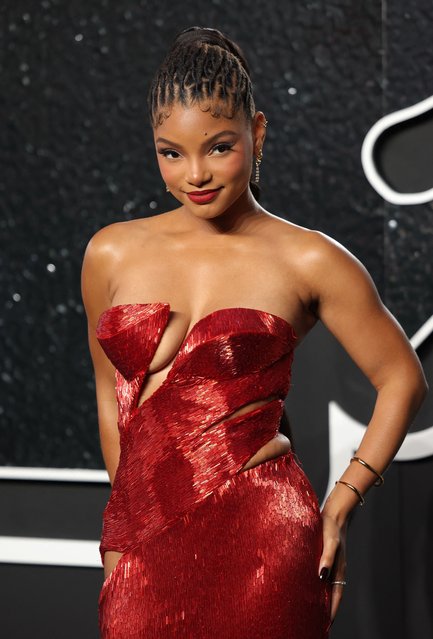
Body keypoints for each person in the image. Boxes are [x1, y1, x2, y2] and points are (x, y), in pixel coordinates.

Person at [81, 26, 427, 639]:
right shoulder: (111, 253)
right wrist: (127, 521)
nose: (194, 175)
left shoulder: (309, 259)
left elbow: (402, 377)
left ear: (257, 133)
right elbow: (111, 397)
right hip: (142, 537)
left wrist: (342, 502)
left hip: (265, 533)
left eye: (217, 148)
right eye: (170, 152)